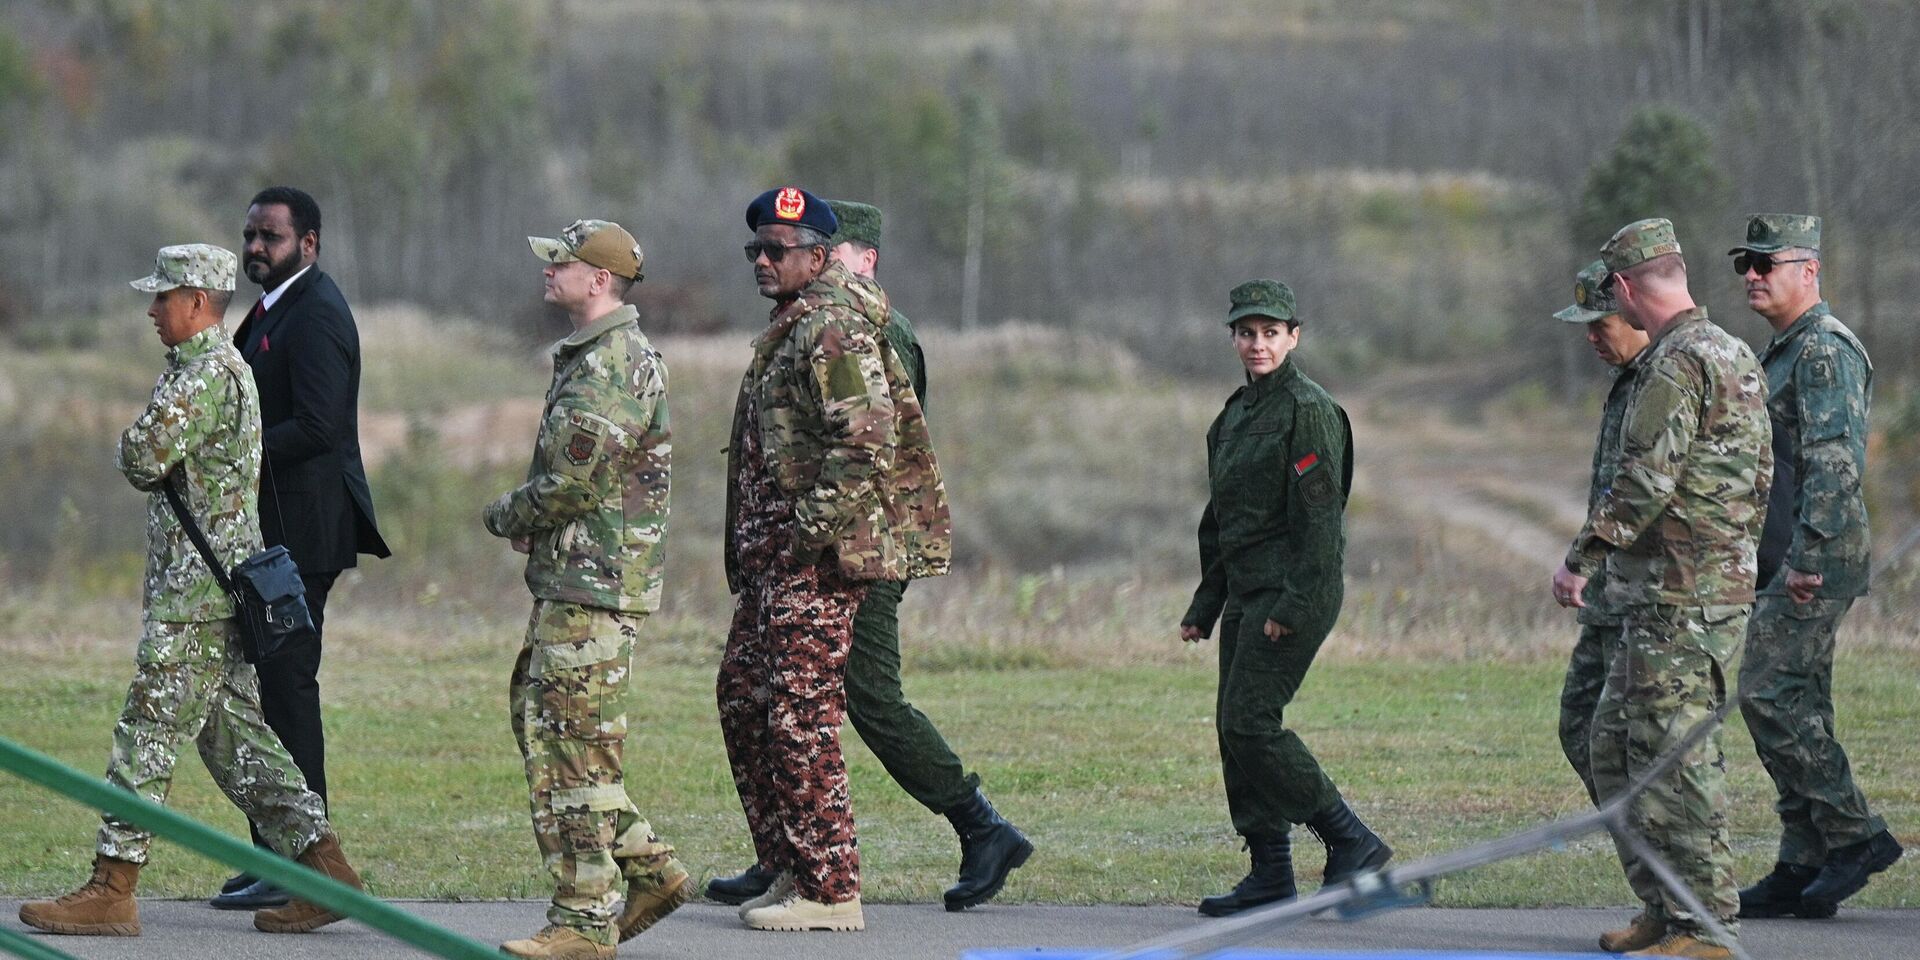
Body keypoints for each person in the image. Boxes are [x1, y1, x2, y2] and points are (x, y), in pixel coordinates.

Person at [19, 245, 365, 939]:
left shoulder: (202, 376)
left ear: (199, 302)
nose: (152, 310)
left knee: (145, 733)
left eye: (163, 297)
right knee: (239, 742)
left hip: (194, 599)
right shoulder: (219, 370)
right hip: (214, 590)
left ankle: (111, 889)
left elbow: (140, 457)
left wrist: (135, 439)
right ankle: (327, 872)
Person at [704, 199, 1029, 913]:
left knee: (850, 702)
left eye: (779, 249)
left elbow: (868, 441)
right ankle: (788, 860)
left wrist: (806, 533)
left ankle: (967, 833)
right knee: (750, 696)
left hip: (847, 554)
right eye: (754, 249)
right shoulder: (791, 324)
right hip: (800, 555)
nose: (762, 260)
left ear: (829, 254)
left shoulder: (839, 326)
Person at [1552, 218, 1770, 959]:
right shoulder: (1727, 353)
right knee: (1614, 749)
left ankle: (1708, 927)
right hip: (1678, 591)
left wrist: (1579, 559)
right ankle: (1668, 907)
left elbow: (1644, 480)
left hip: (1687, 596)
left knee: (1673, 760)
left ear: (1623, 287)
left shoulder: (1680, 363)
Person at [483, 219, 687, 959]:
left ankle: (584, 920)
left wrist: (506, 513)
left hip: (594, 583)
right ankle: (648, 867)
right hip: (579, 579)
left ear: (599, 280)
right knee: (548, 728)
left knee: (571, 747)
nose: (549, 272)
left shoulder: (609, 365)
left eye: (561, 263)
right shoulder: (593, 355)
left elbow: (571, 480)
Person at [1179, 279, 1392, 918]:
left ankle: (1350, 839)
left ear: (1293, 337)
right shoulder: (1236, 415)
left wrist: (1295, 607)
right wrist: (1205, 604)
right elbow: (1223, 521)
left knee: (1251, 720)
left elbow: (1322, 524)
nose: (1257, 344)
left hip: (1293, 589)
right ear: (1234, 338)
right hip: (1247, 589)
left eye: (1271, 333)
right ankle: (1270, 870)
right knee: (1233, 728)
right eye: (1247, 333)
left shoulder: (1309, 410)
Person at [217, 185, 390, 909]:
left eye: (272, 237)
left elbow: (319, 426)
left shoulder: (316, 313)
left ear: (308, 244)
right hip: (274, 535)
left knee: (288, 692)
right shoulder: (270, 309)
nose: (256, 247)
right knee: (265, 693)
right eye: (251, 234)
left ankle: (303, 867)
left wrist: (231, 452)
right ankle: (278, 857)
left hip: (305, 537)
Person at [1726, 214, 1902, 919]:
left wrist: (1804, 559)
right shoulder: (1786, 350)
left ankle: (1856, 835)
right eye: (1747, 263)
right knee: (1800, 703)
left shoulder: (1823, 351)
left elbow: (1835, 461)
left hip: (1814, 555)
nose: (1753, 275)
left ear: (1810, 271)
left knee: (1768, 694)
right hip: (1791, 552)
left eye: (1769, 263)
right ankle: (1802, 864)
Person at [1552, 261, 1652, 804]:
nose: (1591, 336)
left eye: (1600, 323)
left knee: (1633, 743)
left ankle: (1668, 866)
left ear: (1634, 311)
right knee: (1580, 726)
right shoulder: (1625, 381)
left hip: (1648, 594)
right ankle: (1647, 855)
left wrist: (1580, 561)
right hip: (1608, 591)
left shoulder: (1666, 381)